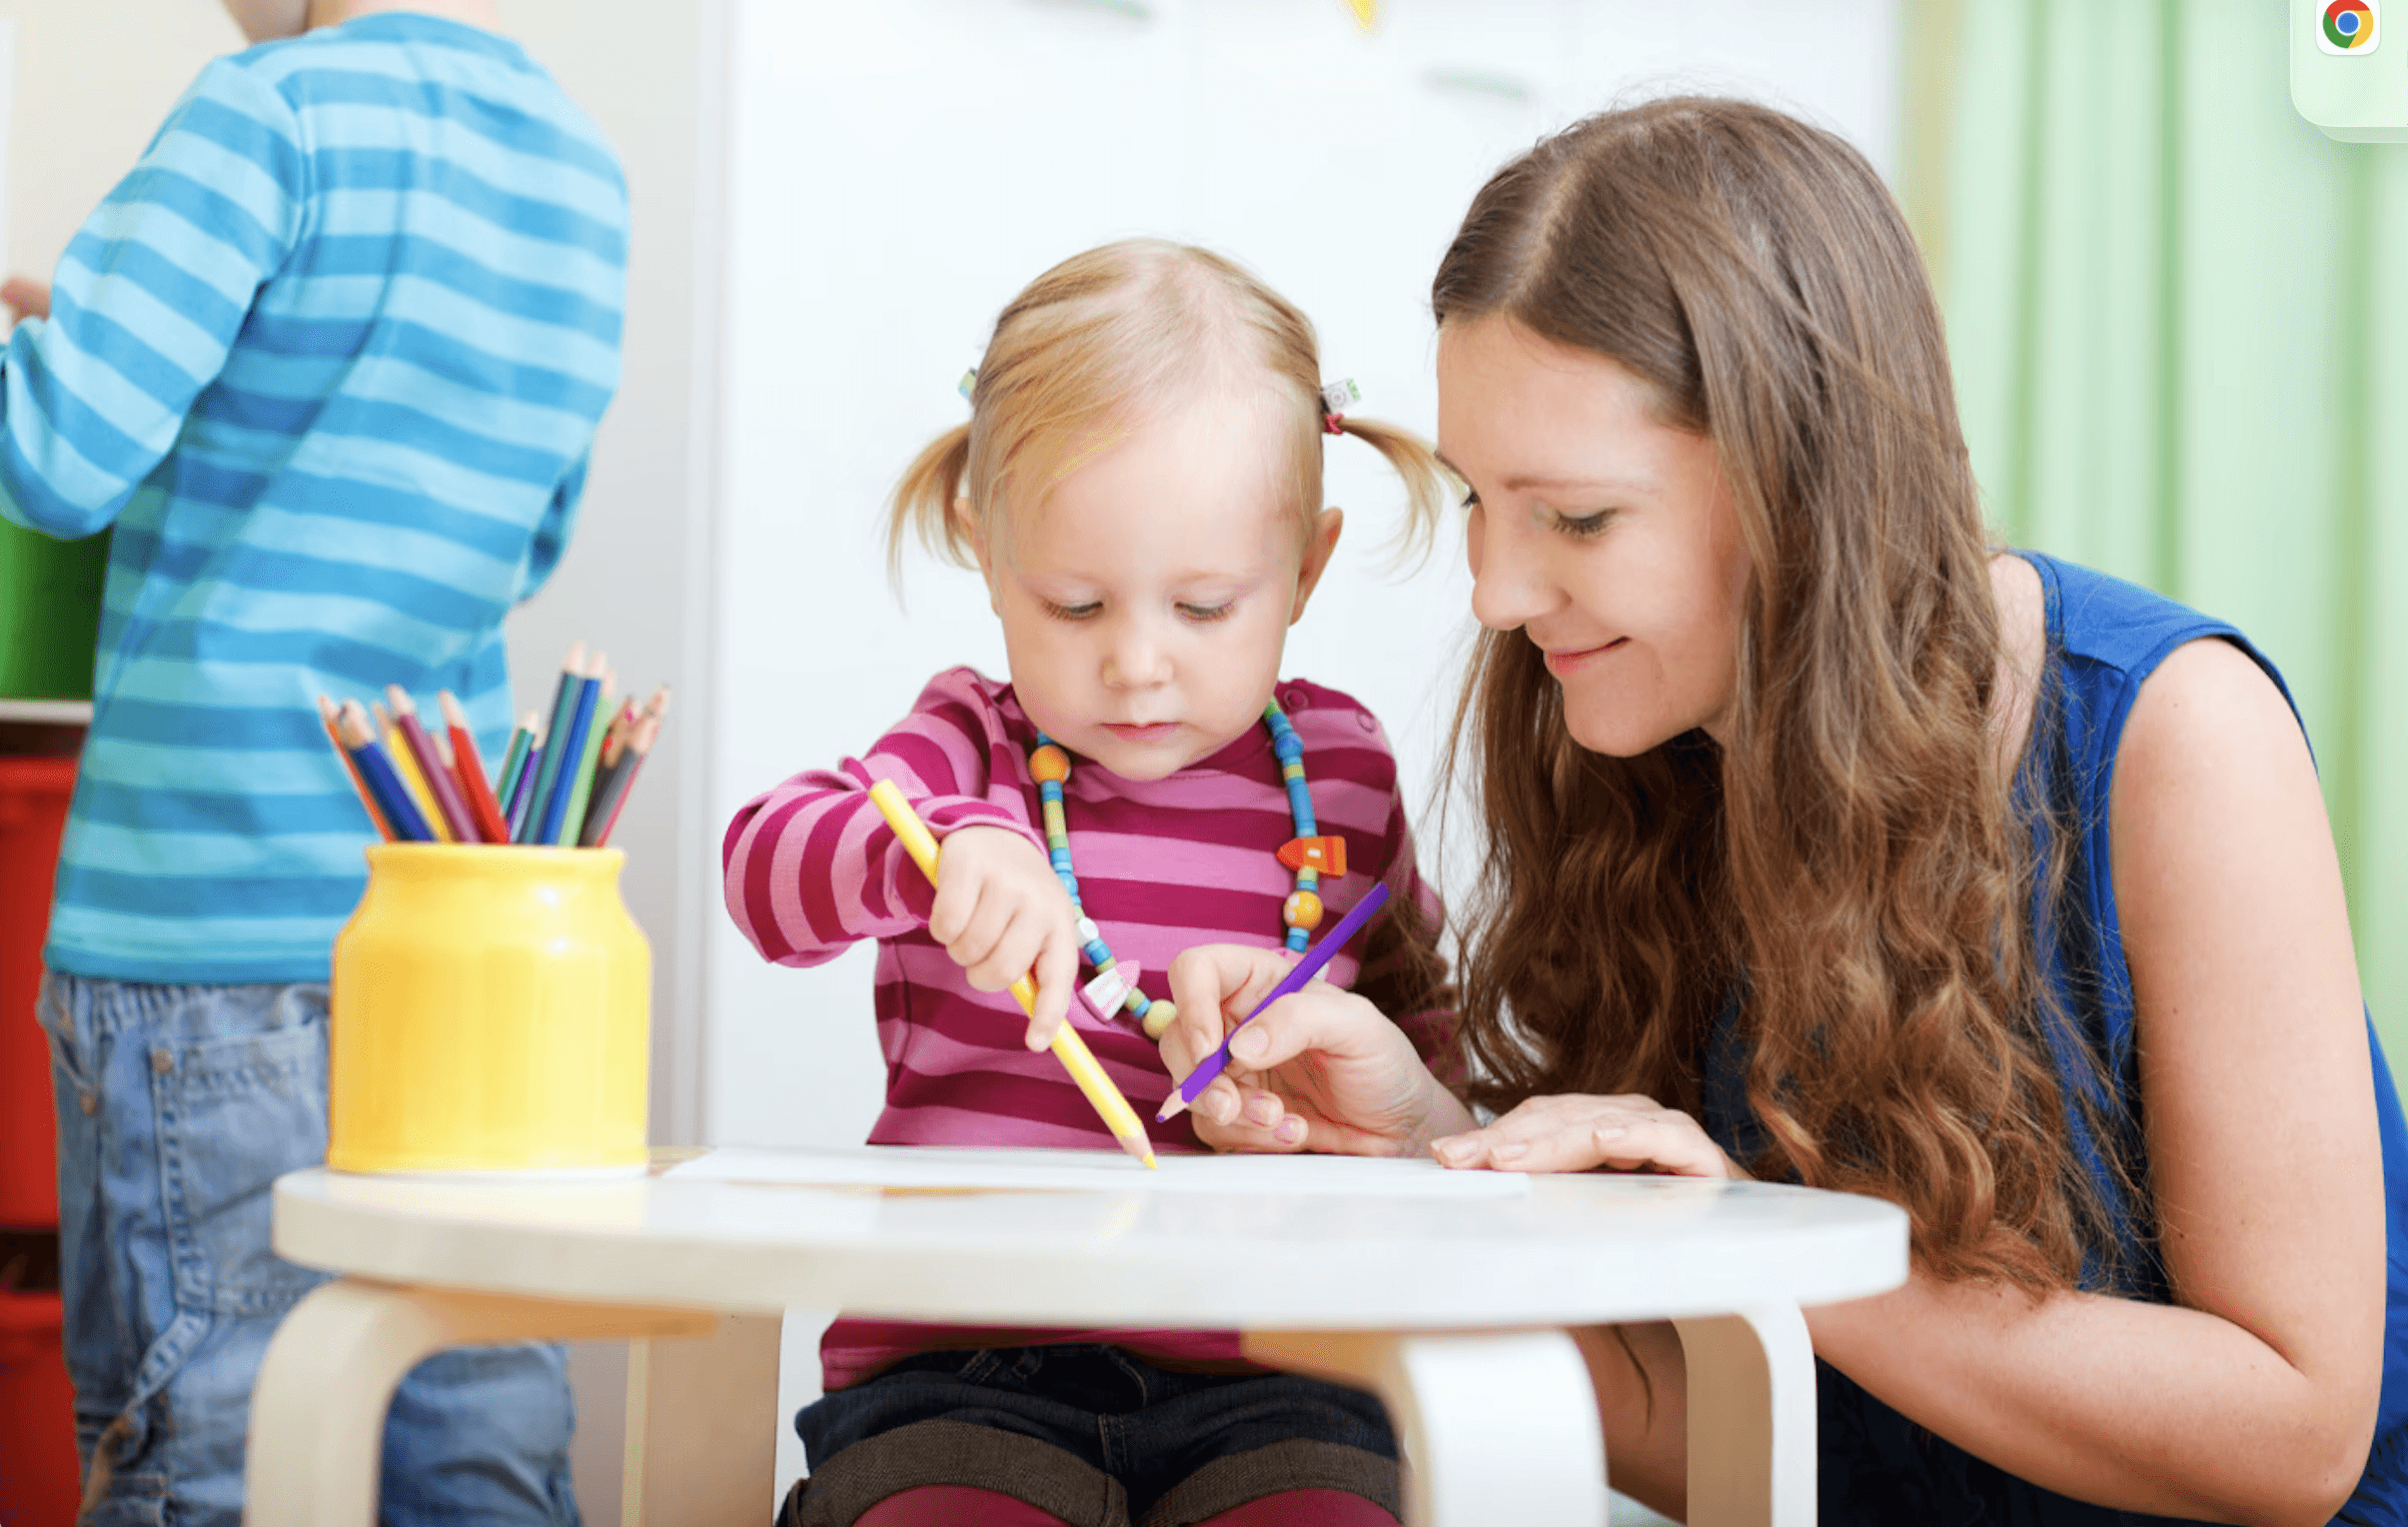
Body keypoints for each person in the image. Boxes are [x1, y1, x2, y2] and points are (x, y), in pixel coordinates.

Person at [1157, 98, 2408, 1524]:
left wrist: (1758, 1242)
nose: (1497, 594)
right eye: (1478, 504)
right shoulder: (1631, 740)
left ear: (1798, 478)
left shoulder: (2170, 730)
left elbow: (2296, 1442)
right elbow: (1746, 1445)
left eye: (1573, 520)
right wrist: (1431, 1160)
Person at [721, 238, 1454, 1527]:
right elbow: (764, 873)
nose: (1136, 665)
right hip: (961, 1368)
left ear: (1307, 571)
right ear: (985, 550)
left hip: (1284, 1369)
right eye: (1072, 604)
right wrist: (932, 851)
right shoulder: (967, 750)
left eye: (1206, 606)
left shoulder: (1340, 774)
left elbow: (1422, 1055)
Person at [8, 2, 628, 1522]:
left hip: (207, 927)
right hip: (451, 928)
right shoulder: (578, 170)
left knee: (212, 1443)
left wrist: (50, 354)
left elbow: (58, 454)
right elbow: (526, 535)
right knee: (468, 1436)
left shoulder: (265, 114)